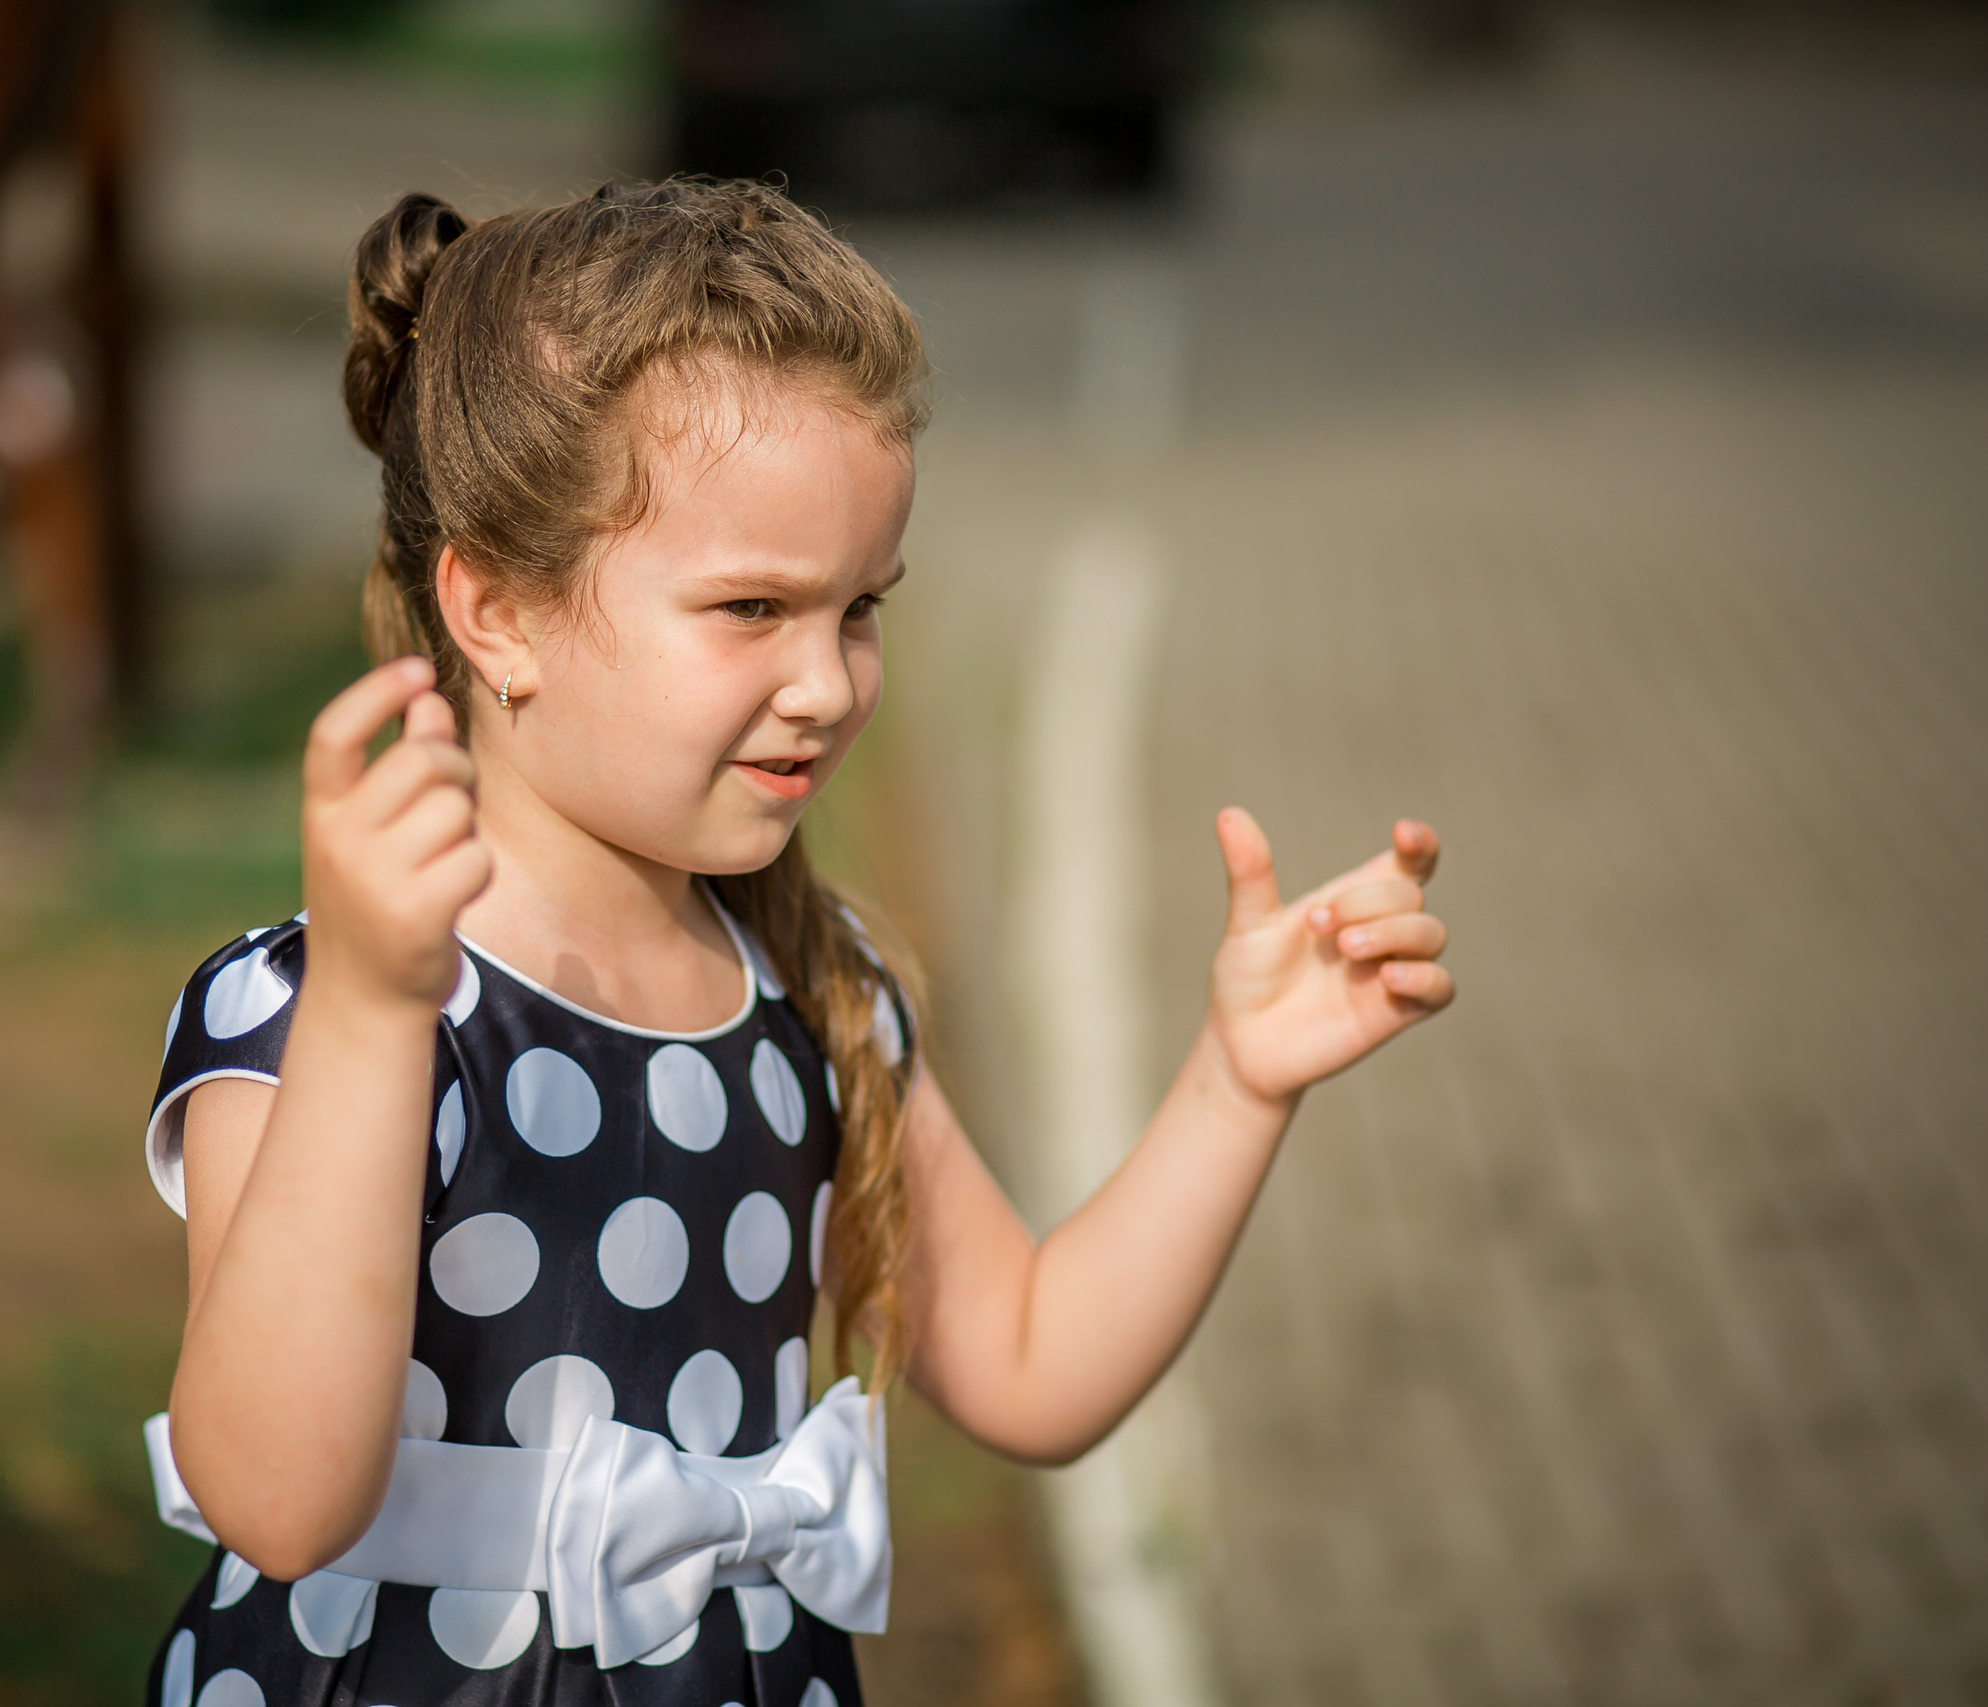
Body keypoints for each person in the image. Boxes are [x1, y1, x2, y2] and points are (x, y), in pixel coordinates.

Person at [137, 180, 1453, 1707]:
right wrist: (373, 1011)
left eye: (859, 611)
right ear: (495, 612)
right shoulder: (317, 1007)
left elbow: (1029, 1363)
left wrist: (1238, 1081)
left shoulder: (816, 992)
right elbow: (277, 1503)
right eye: (753, 607)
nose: (826, 684)